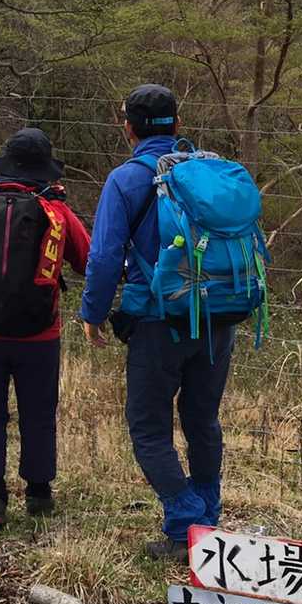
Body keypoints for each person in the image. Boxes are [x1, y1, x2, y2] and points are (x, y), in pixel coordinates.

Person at [80, 85, 237, 562]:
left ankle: (186, 522)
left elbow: (104, 257)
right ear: (178, 122)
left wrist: (92, 314)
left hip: (157, 320)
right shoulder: (209, 171)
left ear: (128, 126)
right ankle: (208, 516)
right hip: (218, 315)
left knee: (148, 427)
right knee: (202, 419)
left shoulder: (126, 180)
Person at [0, 128, 90, 528]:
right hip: (39, 334)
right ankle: (39, 495)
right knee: (39, 412)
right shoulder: (57, 213)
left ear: (7, 164)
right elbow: (86, 259)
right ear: (45, 168)